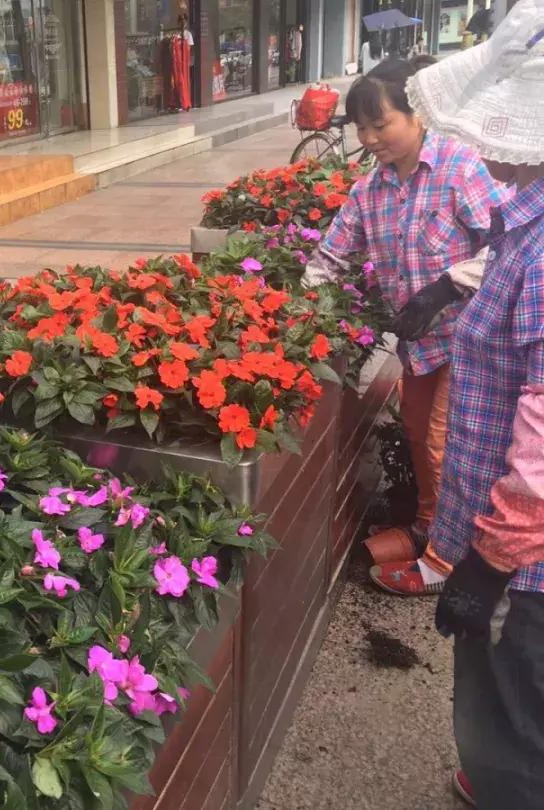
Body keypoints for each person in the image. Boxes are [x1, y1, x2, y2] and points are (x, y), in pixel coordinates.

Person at [303, 58, 509, 596]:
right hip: (421, 345)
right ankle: (427, 524)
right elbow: (330, 257)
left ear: (417, 117)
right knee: (420, 435)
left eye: (382, 123)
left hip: (473, 341)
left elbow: (511, 246)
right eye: (362, 128)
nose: (371, 138)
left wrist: (447, 285)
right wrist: (292, 311)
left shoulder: (458, 167)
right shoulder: (371, 191)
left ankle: (449, 561)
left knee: (449, 443)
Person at [407, 4, 544, 805]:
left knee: (519, 696)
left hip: (527, 564)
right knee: (507, 699)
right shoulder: (524, 223)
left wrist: (489, 563)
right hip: (512, 547)